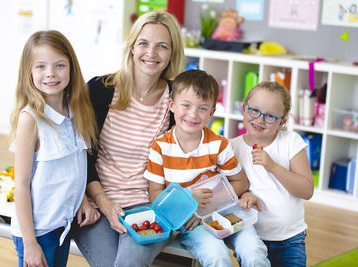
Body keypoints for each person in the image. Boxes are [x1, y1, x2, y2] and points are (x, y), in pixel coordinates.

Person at [70, 11, 185, 267]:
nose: (151, 53)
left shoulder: (177, 102)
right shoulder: (100, 90)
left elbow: (185, 160)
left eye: (162, 46)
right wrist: (104, 203)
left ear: (172, 54)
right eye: (143, 43)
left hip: (151, 206)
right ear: (132, 47)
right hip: (98, 202)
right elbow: (82, 156)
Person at [144, 69, 270, 267]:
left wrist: (211, 203)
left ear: (211, 112)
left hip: (226, 210)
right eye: (186, 105)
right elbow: (155, 196)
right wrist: (189, 200)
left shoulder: (218, 144)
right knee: (216, 255)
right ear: (172, 105)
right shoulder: (160, 147)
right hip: (191, 221)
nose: (193, 114)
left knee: (253, 250)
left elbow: (240, 182)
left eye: (202, 108)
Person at [9, 30, 100, 267]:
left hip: (63, 224)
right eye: (40, 67)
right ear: (28, 72)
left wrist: (82, 201)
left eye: (59, 65)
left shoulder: (77, 112)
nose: (50, 74)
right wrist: (29, 242)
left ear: (71, 68)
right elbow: (20, 184)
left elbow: (72, 169)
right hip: (37, 232)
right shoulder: (30, 120)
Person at [230, 81, 314, 266]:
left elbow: (307, 190)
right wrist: (245, 194)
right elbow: (229, 191)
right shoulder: (231, 147)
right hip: (251, 239)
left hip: (290, 240)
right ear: (244, 109)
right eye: (254, 110)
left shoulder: (291, 142)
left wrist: (273, 166)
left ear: (282, 121)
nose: (259, 120)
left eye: (269, 116)